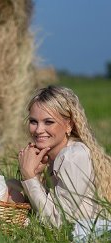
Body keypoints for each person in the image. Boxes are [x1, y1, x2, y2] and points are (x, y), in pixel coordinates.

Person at [8, 85, 111, 229]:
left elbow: (59, 224)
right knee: (10, 185)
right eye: (33, 121)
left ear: (69, 125)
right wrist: (37, 176)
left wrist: (29, 176)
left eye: (48, 122)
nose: (38, 130)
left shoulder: (73, 157)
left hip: (86, 242)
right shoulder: (55, 157)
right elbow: (45, 210)